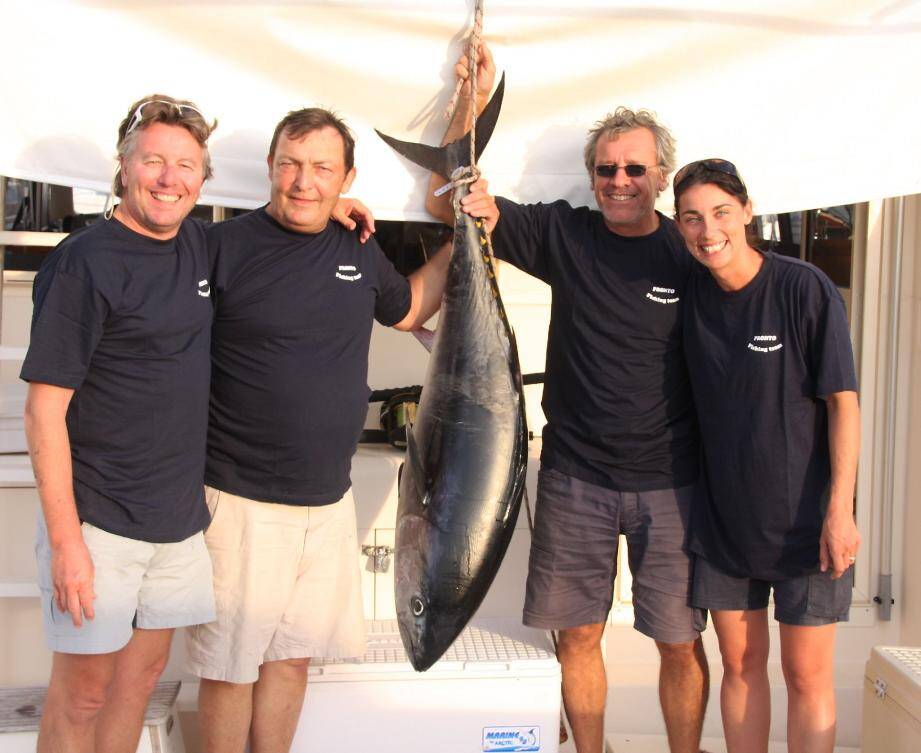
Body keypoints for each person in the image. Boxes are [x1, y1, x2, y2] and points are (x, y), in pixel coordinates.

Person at [425, 45, 709, 753]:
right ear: (591, 176)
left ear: (661, 178)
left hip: (672, 483)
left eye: (633, 169)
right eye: (605, 169)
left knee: (678, 641)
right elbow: (458, 193)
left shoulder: (691, 254)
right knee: (577, 636)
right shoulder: (564, 232)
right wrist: (470, 93)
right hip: (575, 476)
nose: (618, 181)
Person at [185, 107, 450, 753]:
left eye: (321, 168)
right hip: (239, 499)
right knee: (227, 667)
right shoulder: (221, 246)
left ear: (346, 177)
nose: (304, 181)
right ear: (271, 168)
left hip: (326, 502)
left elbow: (409, 307)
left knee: (292, 658)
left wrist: (461, 238)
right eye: (291, 164)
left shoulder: (356, 247)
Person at [22, 96, 218, 753]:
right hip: (98, 524)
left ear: (203, 176)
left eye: (185, 164)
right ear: (125, 167)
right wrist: (67, 542)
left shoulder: (197, 245)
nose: (169, 178)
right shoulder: (84, 263)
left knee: (142, 682)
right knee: (82, 694)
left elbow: (281, 226)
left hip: (177, 522)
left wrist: (332, 207)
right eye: (154, 161)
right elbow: (43, 408)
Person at [673, 159, 860, 753]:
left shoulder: (802, 287)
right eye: (692, 219)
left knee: (805, 674)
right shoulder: (690, 296)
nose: (708, 231)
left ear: (747, 211)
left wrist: (841, 510)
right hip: (725, 527)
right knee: (741, 667)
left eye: (721, 213)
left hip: (809, 528)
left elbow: (843, 404)